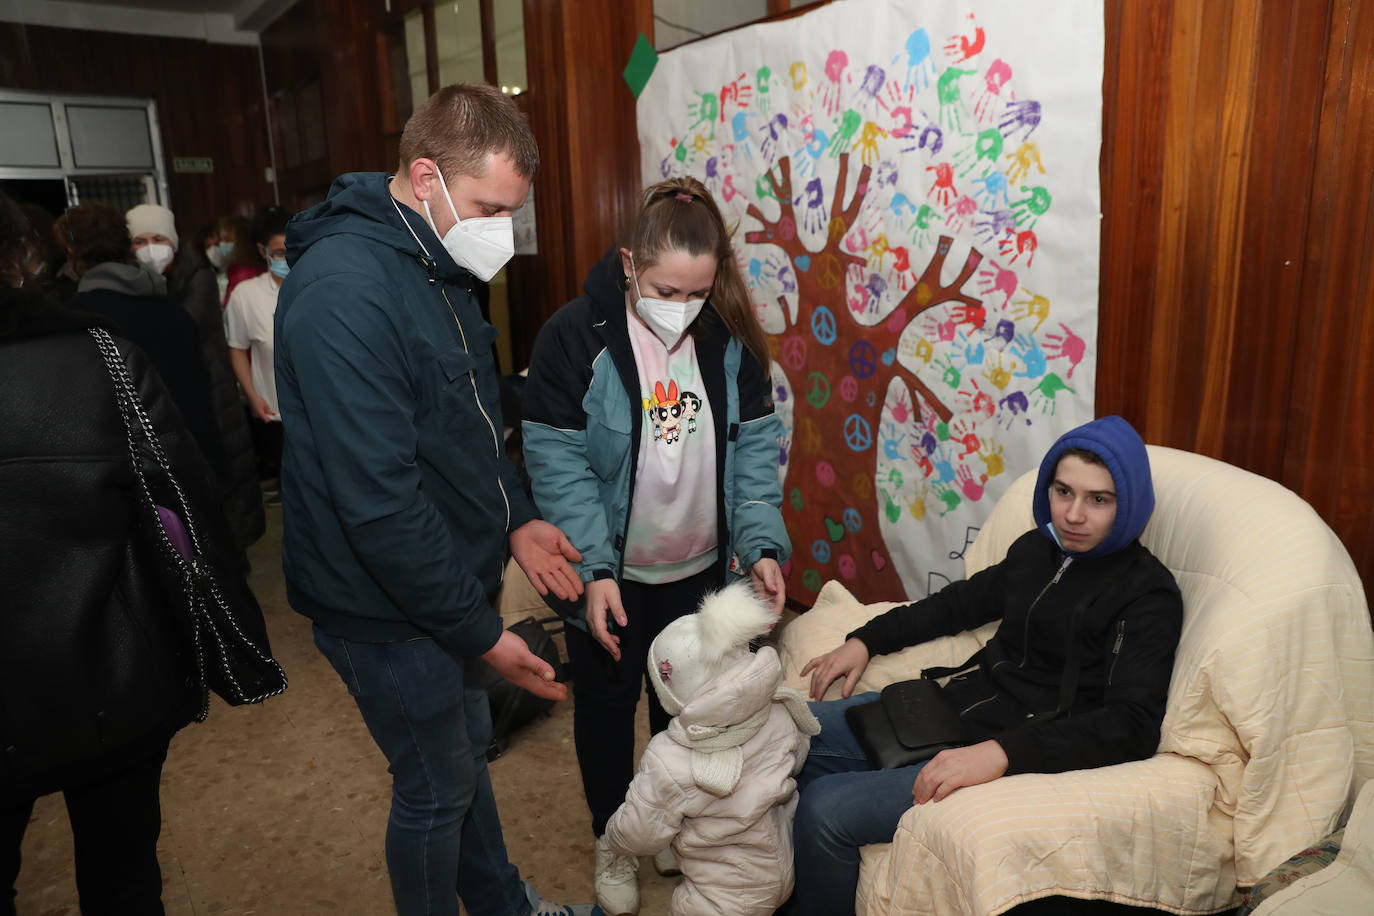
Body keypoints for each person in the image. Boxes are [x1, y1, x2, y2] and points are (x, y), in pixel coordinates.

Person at [274, 82, 599, 916]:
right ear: (426, 177)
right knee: (433, 786)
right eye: (490, 206)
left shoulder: (437, 257)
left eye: (512, 212)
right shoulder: (347, 288)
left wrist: (519, 517)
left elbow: (472, 420)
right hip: (382, 604)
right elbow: (377, 503)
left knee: (457, 763)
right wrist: (483, 632)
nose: (503, 232)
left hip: (446, 582)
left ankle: (505, 907)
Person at [520, 176, 790, 916]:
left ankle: (672, 821)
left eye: (699, 291)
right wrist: (596, 569)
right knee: (608, 714)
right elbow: (557, 462)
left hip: (699, 567)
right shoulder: (575, 336)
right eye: (667, 288)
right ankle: (613, 836)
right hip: (611, 572)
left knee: (689, 715)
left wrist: (760, 542)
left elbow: (755, 458)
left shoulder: (728, 341)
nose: (682, 306)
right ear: (630, 264)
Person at [788, 415, 1184, 915]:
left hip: (1012, 756)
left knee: (825, 810)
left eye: (1098, 500)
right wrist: (867, 639)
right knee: (791, 736)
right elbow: (958, 604)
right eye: (1063, 492)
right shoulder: (1039, 550)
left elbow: (1133, 724)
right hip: (949, 710)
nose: (1074, 515)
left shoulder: (1147, 595)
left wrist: (1001, 753)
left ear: (1129, 507)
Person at [0, 190, 214, 915]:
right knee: (122, 881)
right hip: (111, 679)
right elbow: (183, 503)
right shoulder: (101, 357)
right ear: (20, 261)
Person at [603, 581, 819, 916]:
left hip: (720, 897)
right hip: (785, 863)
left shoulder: (670, 759)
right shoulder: (778, 709)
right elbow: (798, 756)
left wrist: (613, 837)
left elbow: (639, 833)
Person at [129, 203, 265, 553]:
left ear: (174, 243)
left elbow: (185, 330)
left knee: (224, 497)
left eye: (157, 238)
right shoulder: (134, 287)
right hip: (172, 401)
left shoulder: (195, 277)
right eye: (139, 240)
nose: (149, 248)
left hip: (211, 393)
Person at [61, 201, 228, 481]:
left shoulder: (77, 319)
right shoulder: (171, 309)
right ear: (127, 246)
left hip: (136, 475)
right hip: (192, 465)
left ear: (70, 253)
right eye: (141, 240)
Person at [225, 205, 290, 497]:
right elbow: (237, 349)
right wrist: (252, 396)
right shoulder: (245, 295)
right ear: (262, 250)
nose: (287, 258)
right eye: (278, 252)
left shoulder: (319, 286)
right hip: (273, 410)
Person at [220, 214, 261, 306]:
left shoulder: (244, 274)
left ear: (241, 242)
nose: (221, 244)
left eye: (227, 240)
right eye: (221, 240)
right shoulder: (234, 269)